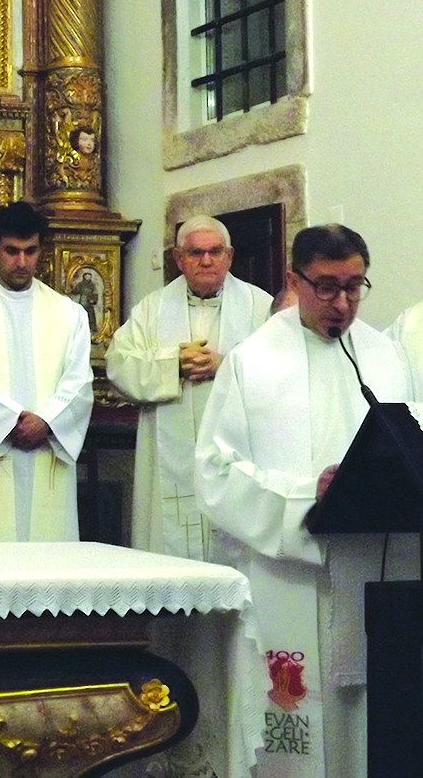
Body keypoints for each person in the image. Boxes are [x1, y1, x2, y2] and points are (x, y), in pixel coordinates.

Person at [195, 224, 415, 777]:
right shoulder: (254, 360)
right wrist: (303, 498)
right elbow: (216, 471)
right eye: (326, 287)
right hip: (290, 576)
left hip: (375, 572)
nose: (342, 302)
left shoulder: (386, 357)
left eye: (355, 285)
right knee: (299, 728)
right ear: (294, 279)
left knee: (371, 729)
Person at [106, 216, 271, 559]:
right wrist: (173, 365)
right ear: (179, 259)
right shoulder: (151, 310)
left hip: (236, 457)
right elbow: (118, 365)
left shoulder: (262, 307)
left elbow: (282, 372)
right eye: (196, 253)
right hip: (170, 463)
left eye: (215, 252)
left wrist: (225, 366)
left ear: (230, 256)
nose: (206, 261)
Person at [0, 201, 93, 541]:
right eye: (11, 251)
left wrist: (47, 421)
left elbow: (80, 384)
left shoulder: (70, 314)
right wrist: (9, 422)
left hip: (46, 452)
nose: (22, 262)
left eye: (31, 251)